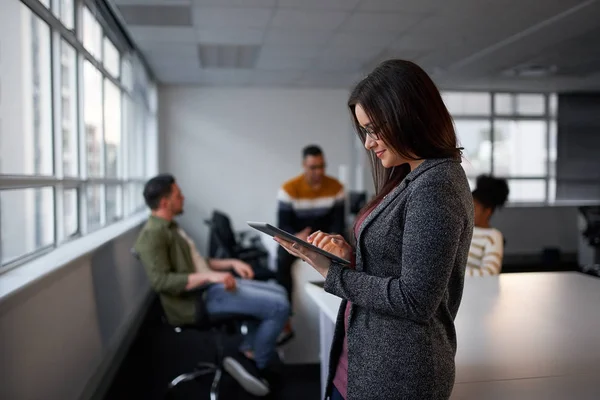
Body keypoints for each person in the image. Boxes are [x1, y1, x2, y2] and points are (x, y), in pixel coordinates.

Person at [274, 60, 474, 400]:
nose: (369, 143)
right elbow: (397, 265)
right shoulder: (411, 177)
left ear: (409, 116)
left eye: (374, 129)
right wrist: (351, 256)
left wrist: (330, 272)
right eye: (365, 131)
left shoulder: (435, 184)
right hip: (367, 359)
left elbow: (416, 300)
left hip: (397, 375)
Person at [134, 174, 290, 397]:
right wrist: (211, 278)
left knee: (279, 291)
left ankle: (249, 351)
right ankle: (260, 365)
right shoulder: (153, 235)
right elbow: (161, 282)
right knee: (279, 306)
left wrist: (231, 263)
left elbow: (196, 263)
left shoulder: (170, 227)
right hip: (196, 301)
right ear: (165, 203)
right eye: (178, 195)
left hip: (208, 289)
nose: (184, 198)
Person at [276, 145, 346, 340]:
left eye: (322, 166)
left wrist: (329, 239)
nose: (319, 172)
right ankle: (286, 316)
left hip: (324, 238)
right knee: (281, 259)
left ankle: (344, 309)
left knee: (345, 255)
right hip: (299, 238)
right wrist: (297, 236)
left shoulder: (336, 188)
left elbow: (338, 224)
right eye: (313, 167)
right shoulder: (289, 189)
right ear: (304, 166)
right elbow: (283, 225)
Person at [467, 174, 509, 276]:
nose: (468, 211)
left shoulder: (493, 236)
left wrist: (452, 276)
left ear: (487, 211)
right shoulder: (463, 230)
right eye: (468, 205)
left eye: (474, 208)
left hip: (474, 289)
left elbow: (490, 273)